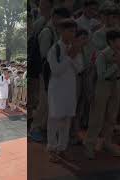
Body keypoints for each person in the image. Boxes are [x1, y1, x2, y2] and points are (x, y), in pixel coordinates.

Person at [84, 28, 120, 159]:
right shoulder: (102, 55)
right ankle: (89, 145)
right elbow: (102, 75)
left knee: (112, 116)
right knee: (97, 117)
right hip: (103, 86)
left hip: (117, 85)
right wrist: (116, 65)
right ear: (111, 41)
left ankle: (106, 142)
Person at [29, 7, 71, 142]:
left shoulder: (56, 32)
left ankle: (42, 127)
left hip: (55, 73)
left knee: (50, 102)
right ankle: (34, 128)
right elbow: (44, 55)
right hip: (46, 73)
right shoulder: (47, 32)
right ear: (55, 18)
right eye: (62, 20)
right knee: (44, 102)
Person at [46, 19, 83, 162]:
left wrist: (73, 55)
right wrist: (69, 57)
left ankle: (62, 148)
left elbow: (80, 68)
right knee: (55, 119)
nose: (72, 34)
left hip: (70, 88)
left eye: (74, 31)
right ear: (61, 31)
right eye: (69, 31)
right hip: (56, 90)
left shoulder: (75, 48)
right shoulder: (54, 49)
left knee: (67, 119)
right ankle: (51, 148)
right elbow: (55, 71)